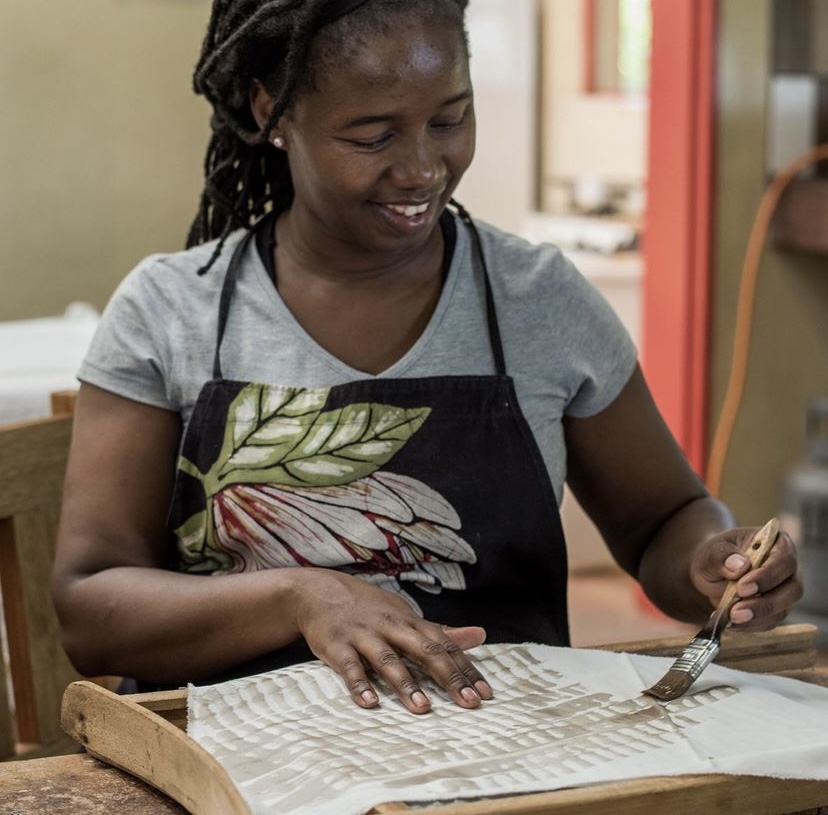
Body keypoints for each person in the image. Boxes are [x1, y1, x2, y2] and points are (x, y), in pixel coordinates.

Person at [52, 0, 802, 715]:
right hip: (230, 757)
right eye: (372, 136)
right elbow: (90, 610)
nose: (421, 169)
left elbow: (662, 519)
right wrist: (300, 597)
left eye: (449, 120)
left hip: (499, 745)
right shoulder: (170, 311)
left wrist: (711, 563)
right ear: (270, 111)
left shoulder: (539, 300)